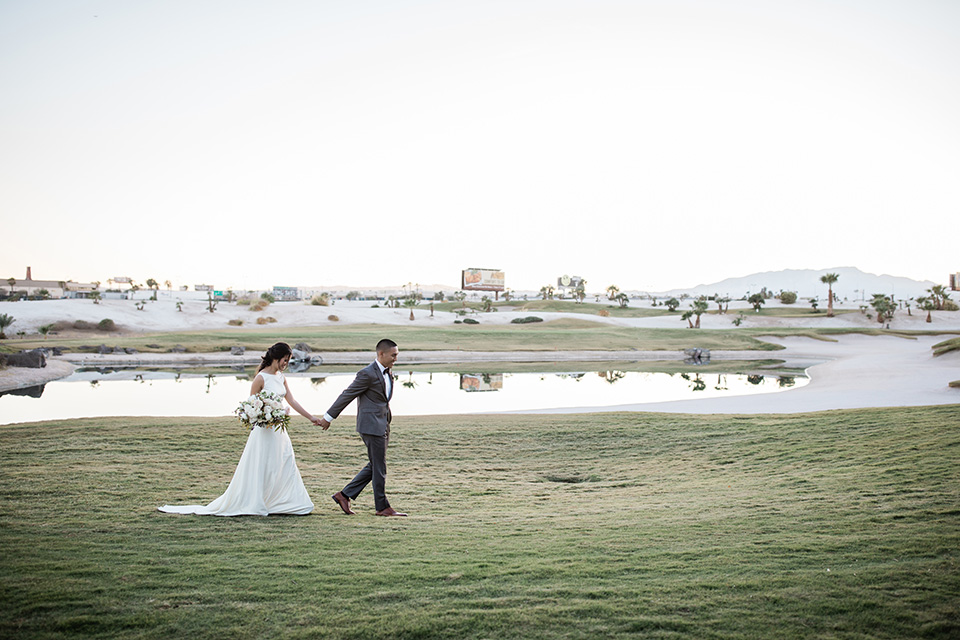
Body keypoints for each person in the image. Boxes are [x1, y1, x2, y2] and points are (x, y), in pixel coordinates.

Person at [159, 342, 321, 516]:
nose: (286, 364)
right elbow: (253, 405)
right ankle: (256, 501)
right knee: (263, 464)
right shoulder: (261, 378)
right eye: (284, 360)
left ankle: (285, 501)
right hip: (264, 430)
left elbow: (292, 401)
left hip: (279, 431)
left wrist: (311, 417)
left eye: (288, 360)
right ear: (275, 358)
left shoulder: (281, 377)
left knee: (283, 462)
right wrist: (269, 415)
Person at [319, 338, 406, 517]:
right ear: (381, 354)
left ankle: (344, 495)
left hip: (383, 423)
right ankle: (382, 507)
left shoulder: (388, 371)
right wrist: (328, 417)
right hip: (371, 425)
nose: (396, 358)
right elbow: (347, 395)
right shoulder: (367, 373)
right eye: (393, 355)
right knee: (379, 466)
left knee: (376, 464)